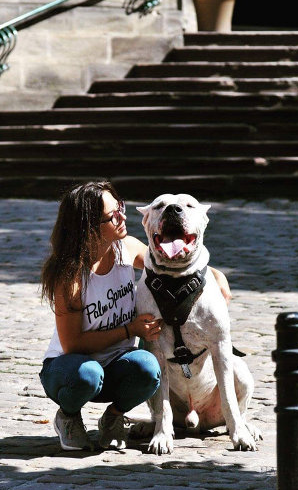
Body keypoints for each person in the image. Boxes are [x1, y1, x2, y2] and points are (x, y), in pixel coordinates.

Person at [39, 181, 232, 451]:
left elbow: (166, 263)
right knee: (88, 374)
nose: (122, 216)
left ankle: (114, 418)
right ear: (89, 227)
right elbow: (73, 345)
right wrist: (130, 331)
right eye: (112, 215)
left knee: (147, 367)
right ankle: (68, 416)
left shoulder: (126, 248)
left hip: (118, 366)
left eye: (120, 207)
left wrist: (215, 274)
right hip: (70, 370)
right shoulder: (70, 277)